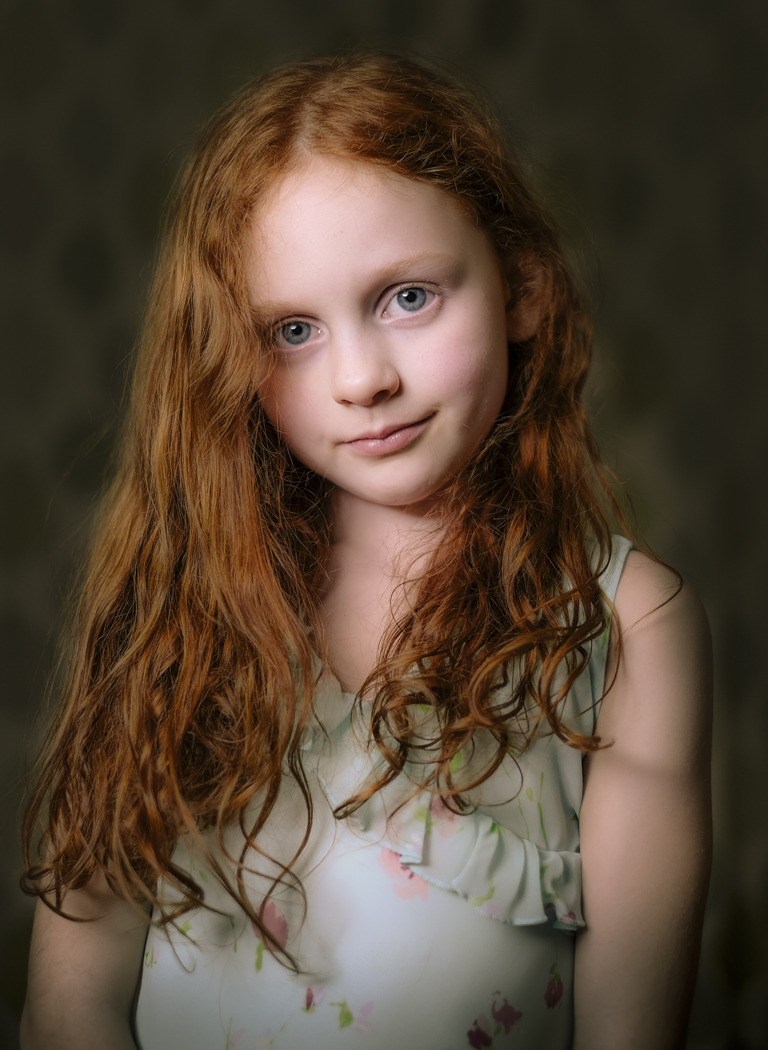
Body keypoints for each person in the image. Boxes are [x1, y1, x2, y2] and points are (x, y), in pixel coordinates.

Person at [19, 52, 712, 1050]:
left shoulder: (625, 625)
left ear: (520, 286)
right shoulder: (182, 602)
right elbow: (68, 1006)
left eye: (408, 298)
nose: (360, 378)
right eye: (293, 330)